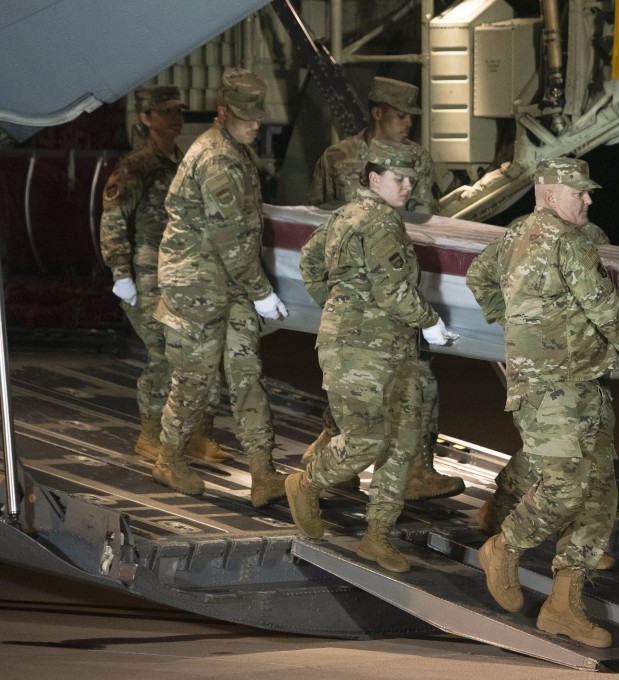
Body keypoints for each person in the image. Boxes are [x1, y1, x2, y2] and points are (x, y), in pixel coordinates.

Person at [465, 158, 619, 648]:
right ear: (550, 195)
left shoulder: (513, 236)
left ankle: (564, 606)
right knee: (567, 490)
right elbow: (603, 303)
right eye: (579, 193)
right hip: (553, 389)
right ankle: (504, 548)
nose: (588, 200)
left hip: (582, 383)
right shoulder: (568, 240)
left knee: (600, 495)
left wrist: (516, 325)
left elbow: (478, 276)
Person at [285, 139, 458, 572]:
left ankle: (377, 536)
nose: (408, 187)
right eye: (399, 179)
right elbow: (392, 290)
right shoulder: (377, 220)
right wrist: (429, 321)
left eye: (411, 180)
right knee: (367, 438)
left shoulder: (345, 214)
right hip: (360, 351)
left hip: (389, 347)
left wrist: (337, 304)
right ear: (374, 178)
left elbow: (309, 261)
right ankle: (306, 484)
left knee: (401, 443)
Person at [304, 75, 462, 501]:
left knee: (415, 382)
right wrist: (333, 300)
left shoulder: (417, 159)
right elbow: (315, 221)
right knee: (357, 394)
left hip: (399, 288)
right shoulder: (337, 158)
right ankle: (331, 461)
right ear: (377, 113)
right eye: (400, 114)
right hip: (362, 304)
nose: (408, 122)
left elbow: (428, 220)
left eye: (411, 116)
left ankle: (414, 470)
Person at [155, 68, 290, 508]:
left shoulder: (235, 150)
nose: (255, 124)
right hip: (196, 285)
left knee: (247, 374)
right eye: (245, 116)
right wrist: (262, 292)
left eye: (257, 115)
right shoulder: (216, 158)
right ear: (222, 111)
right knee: (195, 380)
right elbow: (229, 237)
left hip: (230, 282)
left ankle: (262, 471)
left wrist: (253, 287)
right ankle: (169, 458)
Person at [475, 217, 618, 572]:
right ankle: (501, 513)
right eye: (579, 194)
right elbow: (480, 275)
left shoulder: (594, 236)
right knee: (554, 460)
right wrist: (512, 325)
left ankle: (579, 551)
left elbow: (602, 295)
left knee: (588, 460)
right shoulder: (526, 232)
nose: (586, 203)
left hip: (584, 369)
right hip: (542, 368)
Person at [100, 85, 231, 465]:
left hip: (188, 269)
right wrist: (120, 273)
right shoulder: (136, 166)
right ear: (145, 118)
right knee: (162, 353)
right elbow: (112, 220)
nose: (176, 118)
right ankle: (150, 433)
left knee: (201, 351)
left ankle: (196, 433)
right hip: (149, 272)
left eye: (179, 111)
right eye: (166, 112)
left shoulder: (185, 160)